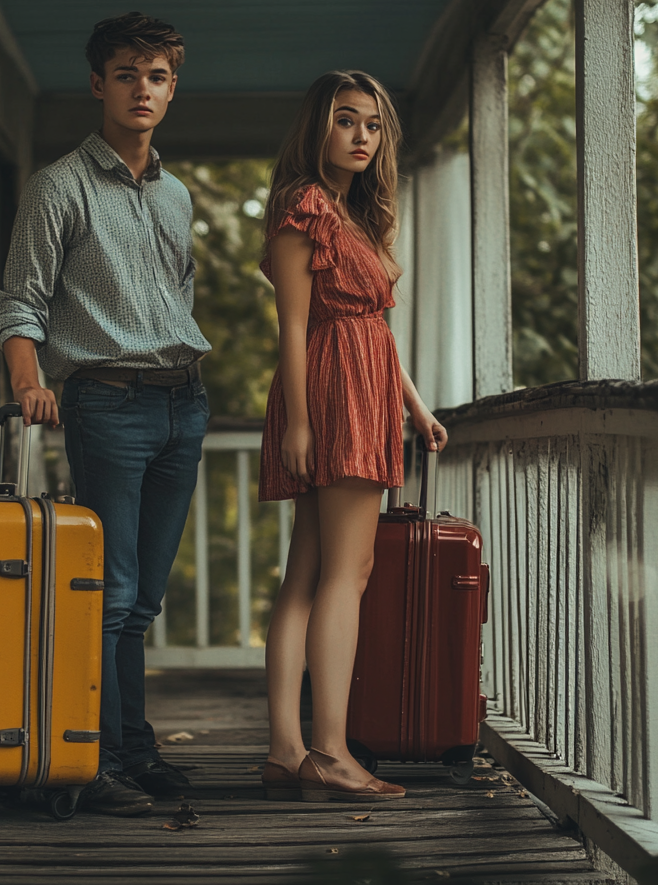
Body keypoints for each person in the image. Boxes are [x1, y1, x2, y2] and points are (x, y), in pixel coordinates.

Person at [0, 12, 211, 816]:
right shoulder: (59, 187)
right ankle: (97, 761)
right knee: (110, 595)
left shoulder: (178, 195)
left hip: (183, 404)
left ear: (171, 87)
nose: (142, 89)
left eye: (156, 76)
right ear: (99, 83)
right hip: (106, 403)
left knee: (144, 598)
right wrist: (28, 382)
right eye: (126, 74)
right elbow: (19, 302)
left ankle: (134, 749)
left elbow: (176, 298)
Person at [258, 70, 448, 802]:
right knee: (349, 572)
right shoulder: (307, 204)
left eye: (372, 124)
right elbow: (297, 323)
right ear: (319, 128)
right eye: (347, 121)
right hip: (333, 393)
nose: (362, 135)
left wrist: (417, 405)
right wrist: (302, 422)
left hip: (363, 386)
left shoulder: (354, 213)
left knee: (307, 575)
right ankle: (331, 751)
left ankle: (286, 749)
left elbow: (378, 331)